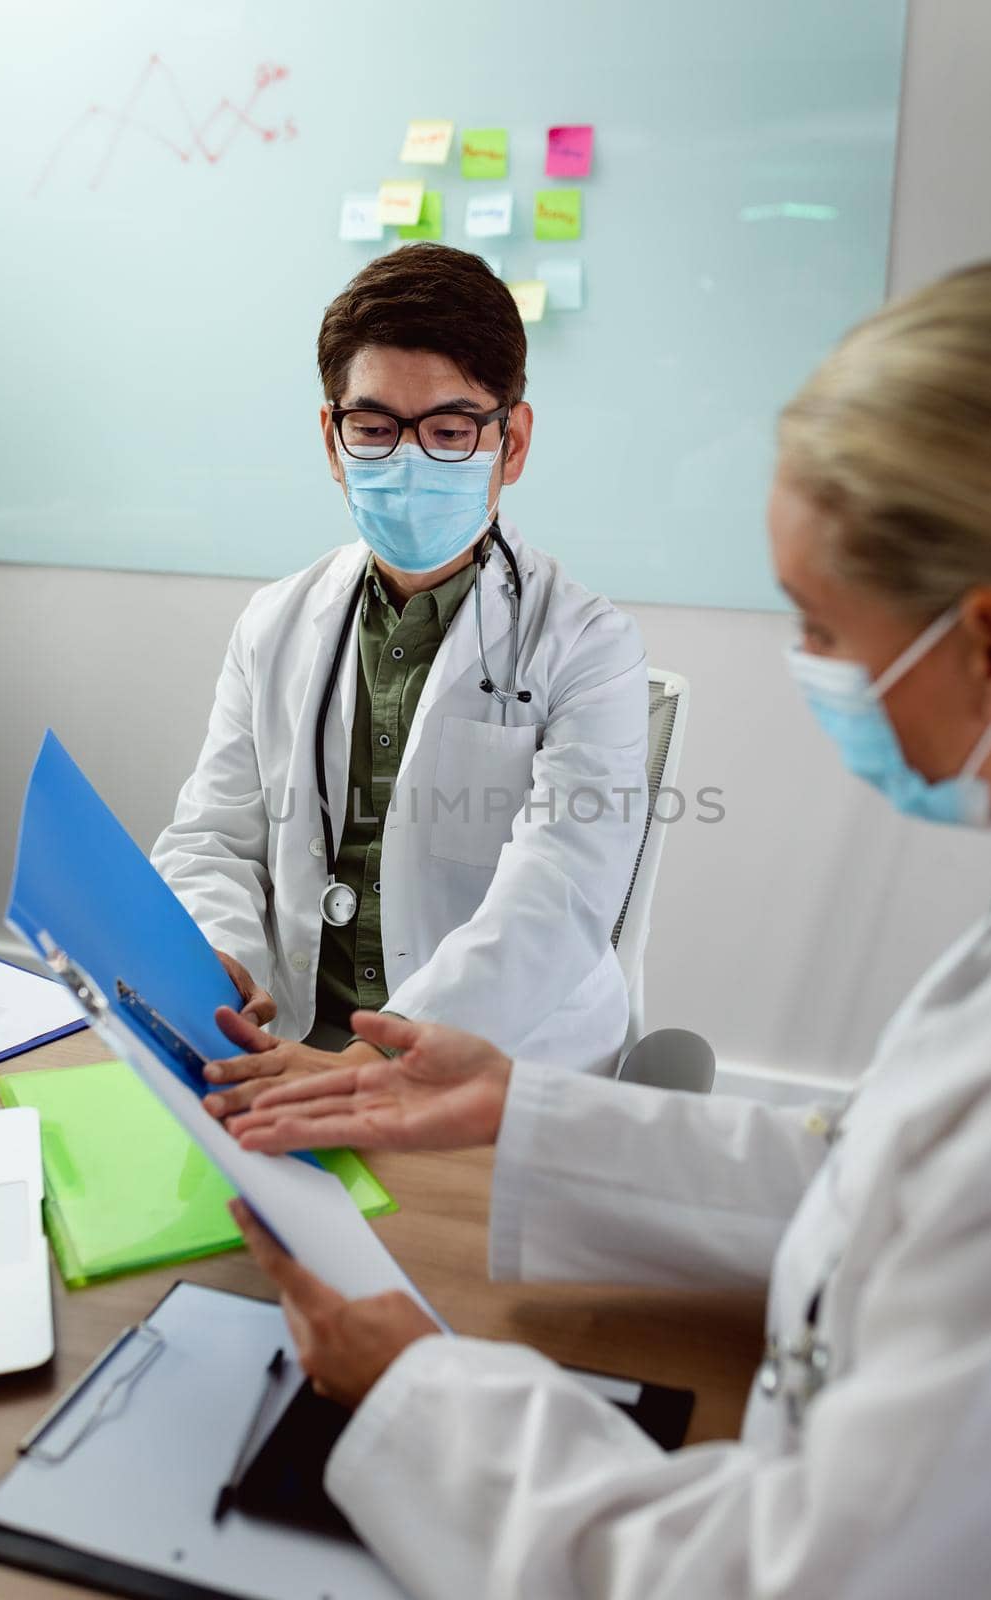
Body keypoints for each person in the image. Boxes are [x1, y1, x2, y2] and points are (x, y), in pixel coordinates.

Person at [213, 254, 991, 1597]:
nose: (813, 673)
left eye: (822, 628)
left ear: (989, 645)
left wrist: (416, 1394)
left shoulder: (573, 640)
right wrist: (510, 1110)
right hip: (358, 1066)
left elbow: (784, 1574)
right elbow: (861, 1180)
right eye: (374, 426)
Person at [152, 244, 649, 1104]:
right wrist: (217, 965)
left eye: (450, 431)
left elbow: (558, 891)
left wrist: (375, 1064)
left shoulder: (590, 647)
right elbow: (213, 838)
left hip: (493, 1066)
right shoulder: (275, 621)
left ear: (512, 441)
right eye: (375, 428)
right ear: (332, 439)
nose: (409, 461)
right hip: (292, 1043)